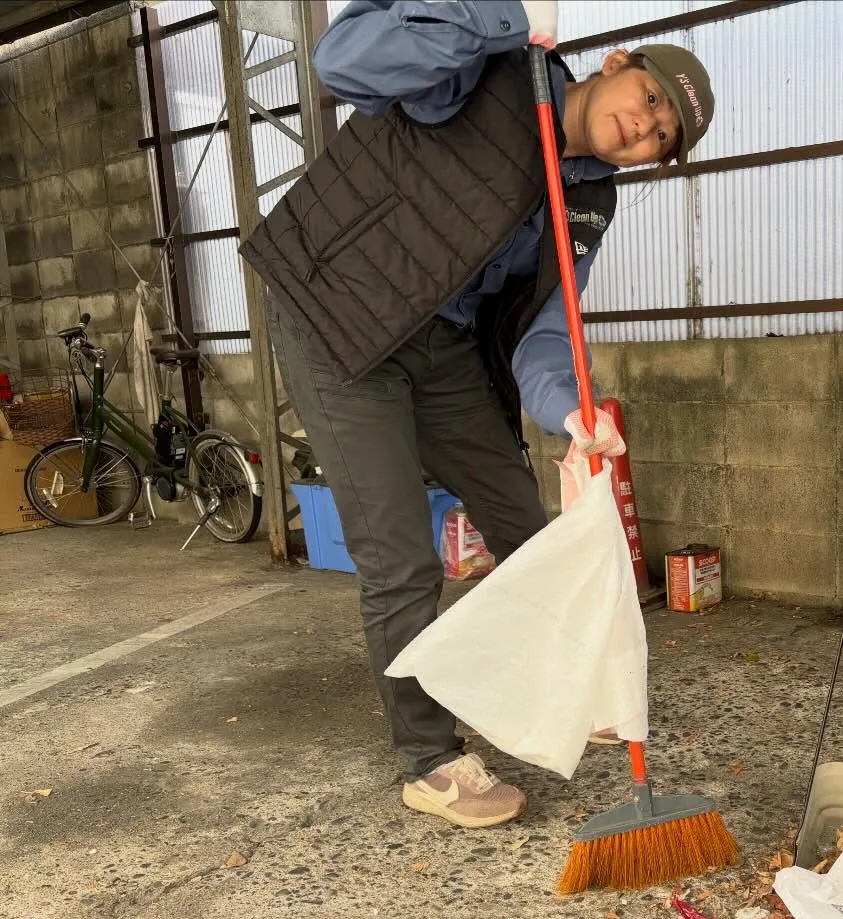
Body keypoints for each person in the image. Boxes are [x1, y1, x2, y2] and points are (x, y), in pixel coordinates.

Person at [237, 1, 714, 828]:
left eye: (662, 137)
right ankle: (429, 759)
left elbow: (544, 329)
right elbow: (343, 60)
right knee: (400, 556)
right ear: (617, 65)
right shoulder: (487, 68)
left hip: (437, 340)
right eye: (652, 98)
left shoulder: (588, 198)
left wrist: (571, 413)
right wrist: (500, 17)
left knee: (528, 527)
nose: (646, 126)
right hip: (336, 312)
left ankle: (556, 689)